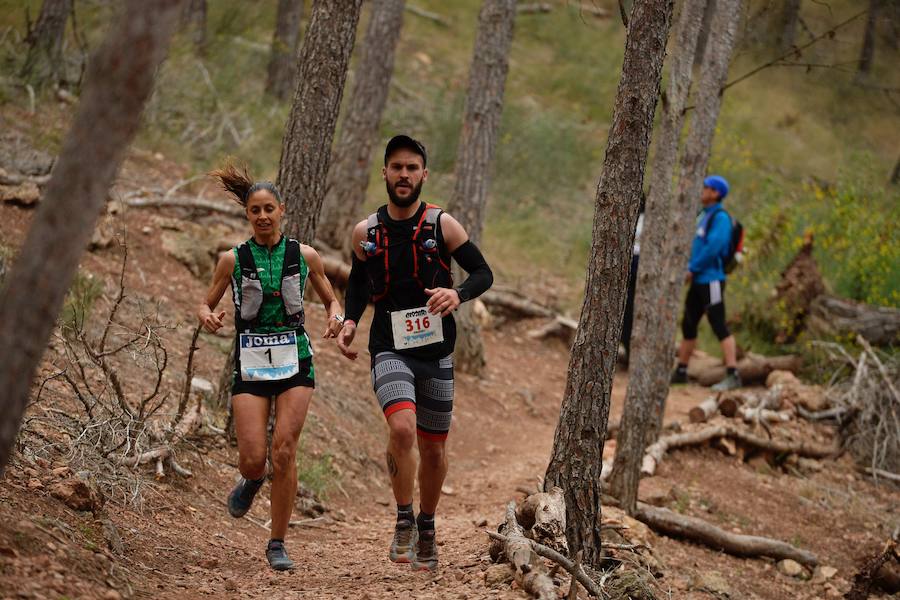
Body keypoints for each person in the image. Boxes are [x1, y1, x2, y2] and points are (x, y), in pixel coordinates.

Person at [336, 135, 493, 571]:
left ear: (423, 175)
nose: (403, 175)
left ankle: (427, 525)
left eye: (411, 168)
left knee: (435, 449)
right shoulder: (365, 232)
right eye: (396, 167)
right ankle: (403, 516)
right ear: (384, 173)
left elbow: (483, 273)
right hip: (388, 346)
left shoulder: (442, 225)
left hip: (436, 351)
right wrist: (350, 321)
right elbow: (358, 283)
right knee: (402, 429)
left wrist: (457, 294)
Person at [197, 162, 344, 571]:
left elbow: (332, 299)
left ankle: (277, 542)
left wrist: (335, 316)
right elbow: (205, 302)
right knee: (252, 459)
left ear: (282, 210)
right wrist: (206, 316)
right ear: (247, 215)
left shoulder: (305, 255)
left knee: (284, 450)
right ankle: (252, 479)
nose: (262, 216)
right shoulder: (232, 259)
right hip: (251, 362)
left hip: (295, 358)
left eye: (268, 209)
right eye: (254, 210)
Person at [671, 174, 741, 391]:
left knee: (718, 323)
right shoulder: (702, 214)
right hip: (697, 279)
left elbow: (714, 247)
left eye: (706, 187)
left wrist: (693, 268)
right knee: (689, 323)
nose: (702, 189)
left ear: (716, 193)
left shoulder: (720, 217)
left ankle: (733, 374)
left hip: (711, 280)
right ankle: (681, 371)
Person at [620, 197, 645, 366]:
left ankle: (633, 355)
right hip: (625, 265)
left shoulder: (650, 218)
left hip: (640, 267)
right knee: (624, 310)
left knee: (634, 310)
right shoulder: (627, 215)